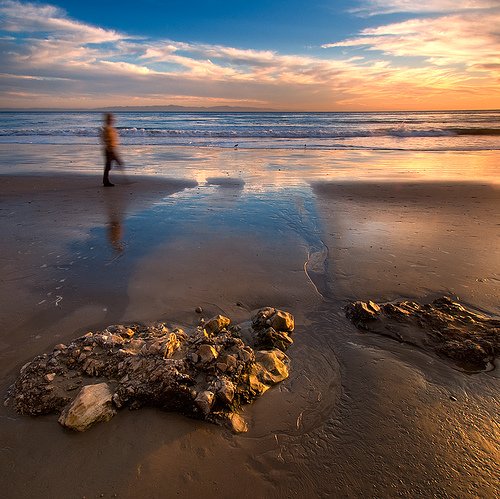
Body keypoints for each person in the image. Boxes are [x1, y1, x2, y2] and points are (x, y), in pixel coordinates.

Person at [100, 113, 123, 187]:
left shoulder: (110, 128)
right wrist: (110, 147)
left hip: (111, 148)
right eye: (110, 119)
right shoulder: (106, 129)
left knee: (109, 165)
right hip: (109, 149)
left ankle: (106, 180)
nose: (112, 120)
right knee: (109, 165)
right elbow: (105, 139)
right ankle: (105, 181)